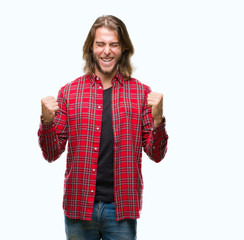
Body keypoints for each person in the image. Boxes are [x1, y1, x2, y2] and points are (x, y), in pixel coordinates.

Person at [38, 15, 168, 240]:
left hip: (122, 210)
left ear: (123, 48)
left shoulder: (141, 94)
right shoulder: (69, 93)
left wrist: (158, 121)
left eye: (113, 44)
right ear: (91, 47)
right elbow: (51, 154)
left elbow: (156, 155)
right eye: (100, 44)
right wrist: (46, 122)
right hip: (79, 207)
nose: (106, 51)